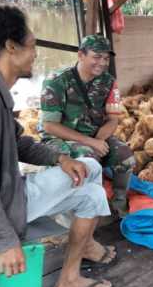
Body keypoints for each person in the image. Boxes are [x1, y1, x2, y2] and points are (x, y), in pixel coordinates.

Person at [0, 6, 115, 287]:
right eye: (32, 46)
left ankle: (68, 279)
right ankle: (86, 248)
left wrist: (60, 159)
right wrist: (3, 242)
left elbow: (19, 143)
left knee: (91, 195)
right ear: (11, 47)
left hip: (10, 193)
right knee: (91, 168)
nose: (36, 53)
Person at [39, 35, 135, 217]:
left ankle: (119, 200)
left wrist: (98, 140)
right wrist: (90, 142)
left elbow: (112, 120)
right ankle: (79, 209)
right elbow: (50, 126)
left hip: (93, 136)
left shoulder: (108, 82)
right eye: (96, 57)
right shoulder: (57, 81)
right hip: (60, 137)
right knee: (88, 160)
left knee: (126, 157)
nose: (102, 63)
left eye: (106, 58)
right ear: (80, 55)